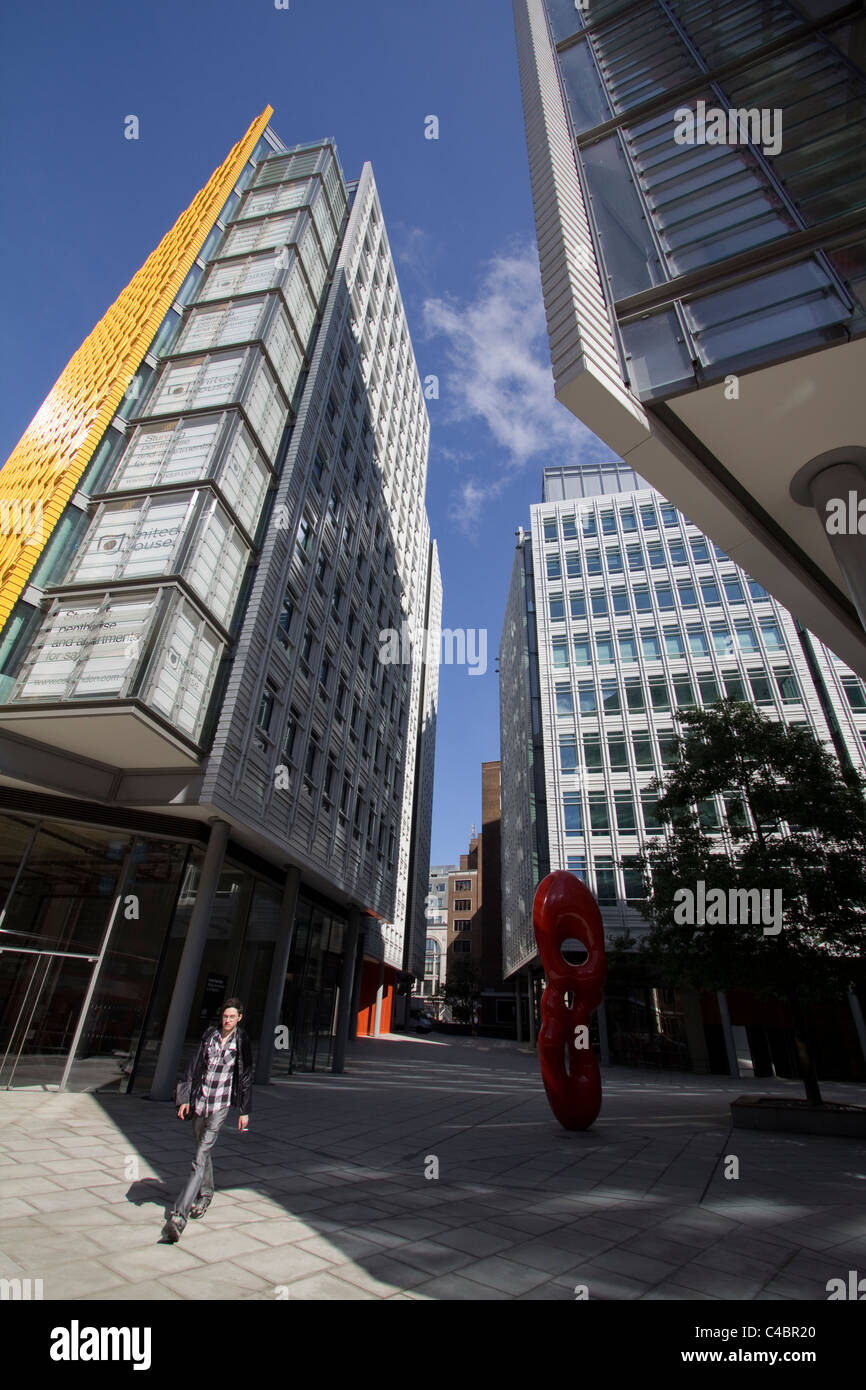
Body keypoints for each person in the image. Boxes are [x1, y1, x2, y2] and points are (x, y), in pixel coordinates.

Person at [161, 997, 252, 1243]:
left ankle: (178, 1217)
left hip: (220, 1105)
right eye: (225, 1016)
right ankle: (207, 1192)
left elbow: (244, 1077)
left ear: (239, 1018)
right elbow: (194, 1067)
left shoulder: (241, 1041)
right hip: (201, 1102)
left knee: (199, 1158)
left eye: (232, 1017)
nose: (227, 1020)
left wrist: (244, 1110)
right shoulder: (209, 1036)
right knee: (202, 1148)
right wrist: (186, 1098)